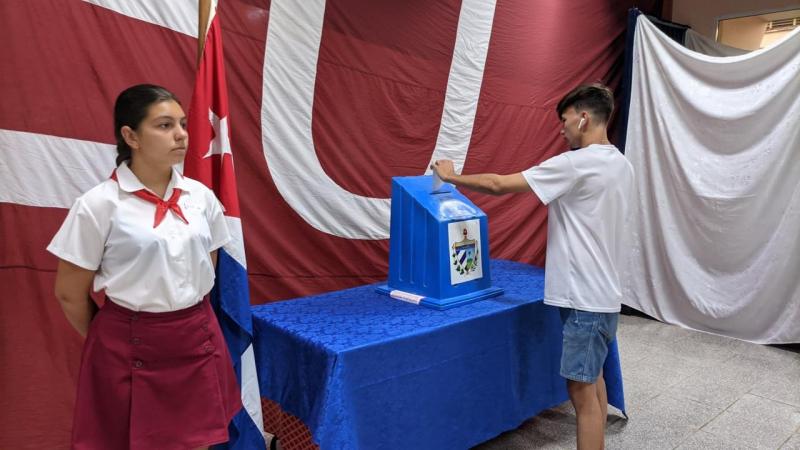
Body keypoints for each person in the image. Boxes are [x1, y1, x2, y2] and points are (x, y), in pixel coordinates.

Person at [431, 83, 633, 450]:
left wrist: (451, 176)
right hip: (603, 295)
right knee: (595, 379)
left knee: (581, 393)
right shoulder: (621, 163)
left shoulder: (576, 164)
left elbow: (498, 184)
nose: (562, 129)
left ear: (584, 118)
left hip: (584, 298)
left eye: (565, 120)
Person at [47, 84, 242, 450]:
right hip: (128, 343)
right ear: (130, 135)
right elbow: (69, 293)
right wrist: (116, 336)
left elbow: (207, 267)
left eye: (182, 124)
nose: (181, 134)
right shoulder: (98, 205)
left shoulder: (202, 198)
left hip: (196, 337)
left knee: (199, 440)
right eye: (165, 125)